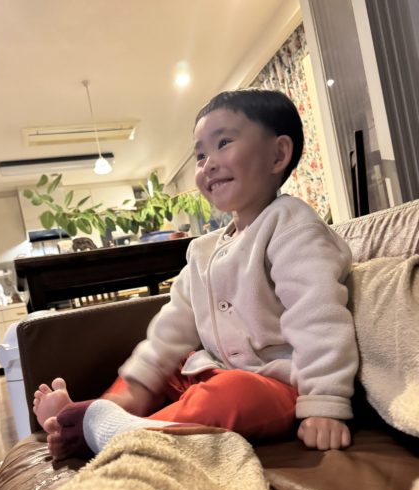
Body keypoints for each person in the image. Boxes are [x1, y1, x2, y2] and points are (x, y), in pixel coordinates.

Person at [33, 88, 358, 459]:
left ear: (278, 154)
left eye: (224, 143)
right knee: (159, 364)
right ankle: (107, 410)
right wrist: (143, 379)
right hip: (212, 372)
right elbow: (171, 329)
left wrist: (324, 402)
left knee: (236, 393)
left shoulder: (293, 226)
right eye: (201, 155)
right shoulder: (203, 250)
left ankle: (119, 433)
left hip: (276, 386)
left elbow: (318, 317)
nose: (208, 165)